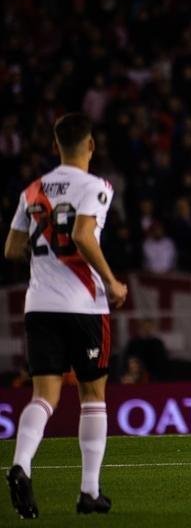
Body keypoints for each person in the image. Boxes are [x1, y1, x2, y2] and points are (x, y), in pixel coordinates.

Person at [5, 113, 129, 517]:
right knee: (93, 395)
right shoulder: (97, 187)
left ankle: (21, 463)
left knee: (45, 396)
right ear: (90, 145)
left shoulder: (32, 190)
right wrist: (111, 281)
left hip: (39, 304)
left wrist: (46, 263)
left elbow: (11, 249)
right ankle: (89, 492)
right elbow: (81, 233)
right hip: (82, 305)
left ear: (56, 145)